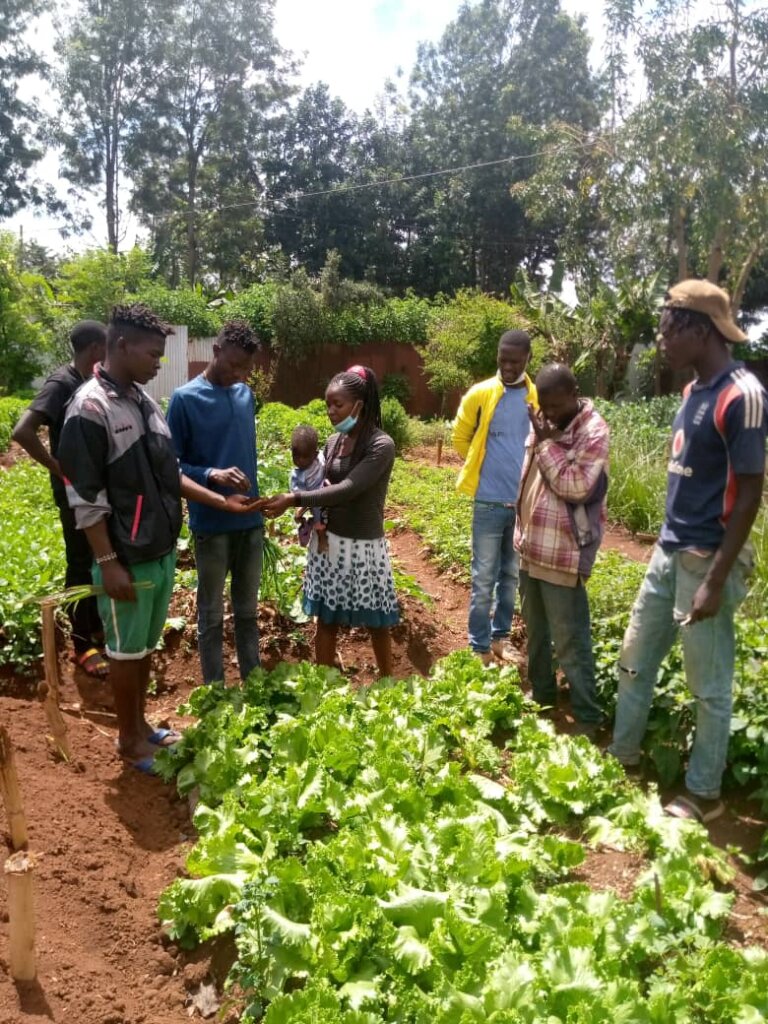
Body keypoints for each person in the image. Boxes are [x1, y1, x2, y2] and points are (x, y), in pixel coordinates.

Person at [57, 304, 260, 772]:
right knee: (125, 652)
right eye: (152, 354)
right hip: (125, 555)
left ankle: (143, 727)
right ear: (121, 346)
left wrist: (218, 501)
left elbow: (170, 474)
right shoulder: (90, 408)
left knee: (143, 647)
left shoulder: (143, 402)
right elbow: (84, 498)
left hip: (158, 550)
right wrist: (107, 560)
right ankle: (129, 741)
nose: (158, 363)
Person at [608, 280, 767, 823]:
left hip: (707, 558)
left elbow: (750, 491)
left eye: (669, 330)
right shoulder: (692, 391)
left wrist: (717, 580)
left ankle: (704, 794)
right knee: (635, 660)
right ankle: (622, 760)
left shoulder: (740, 395)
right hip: (668, 550)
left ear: (700, 330)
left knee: (709, 685)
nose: (662, 341)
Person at [261, 365, 399, 676]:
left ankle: (388, 680)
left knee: (376, 618)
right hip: (330, 544)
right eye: (328, 405)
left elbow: (349, 489)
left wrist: (295, 499)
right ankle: (323, 682)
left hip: (364, 545)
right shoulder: (334, 442)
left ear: (359, 405)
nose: (331, 412)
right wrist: (302, 503)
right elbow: (321, 485)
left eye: (338, 404)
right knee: (327, 617)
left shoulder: (381, 445)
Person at [12, 320, 110, 689]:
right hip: (72, 493)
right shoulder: (61, 383)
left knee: (98, 559)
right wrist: (57, 467)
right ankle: (81, 645)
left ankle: (95, 629)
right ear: (96, 349)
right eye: (106, 346)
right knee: (80, 564)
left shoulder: (88, 382)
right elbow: (22, 431)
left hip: (91, 490)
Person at [167, 320, 264, 686]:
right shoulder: (184, 399)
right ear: (217, 351)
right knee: (210, 614)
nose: (240, 374)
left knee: (247, 611)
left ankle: (254, 682)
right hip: (211, 525)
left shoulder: (244, 395)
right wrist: (212, 474)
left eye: (246, 368)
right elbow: (170, 466)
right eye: (234, 365)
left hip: (249, 523)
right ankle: (215, 688)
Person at [515, 364, 608, 737]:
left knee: (570, 639)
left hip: (563, 551)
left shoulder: (594, 431)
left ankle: (587, 718)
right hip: (531, 545)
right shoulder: (542, 419)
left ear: (573, 394)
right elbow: (529, 477)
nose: (548, 413)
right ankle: (543, 698)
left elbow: (576, 487)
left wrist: (546, 442)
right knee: (535, 633)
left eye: (554, 405)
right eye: (544, 405)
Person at [453, 330, 538, 665]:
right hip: (488, 502)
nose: (507, 366)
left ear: (527, 359)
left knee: (511, 577)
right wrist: (480, 464)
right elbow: (460, 436)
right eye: (502, 359)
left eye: (514, 361)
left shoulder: (536, 397)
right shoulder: (481, 393)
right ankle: (479, 647)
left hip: (520, 506)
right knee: (483, 576)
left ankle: (501, 639)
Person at [289, 424, 327, 548]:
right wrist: (299, 511)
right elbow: (300, 496)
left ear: (315, 454)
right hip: (313, 499)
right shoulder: (297, 475)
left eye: (304, 457)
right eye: (295, 456)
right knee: (317, 514)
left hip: (328, 492)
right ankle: (321, 538)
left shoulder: (321, 458)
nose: (299, 460)